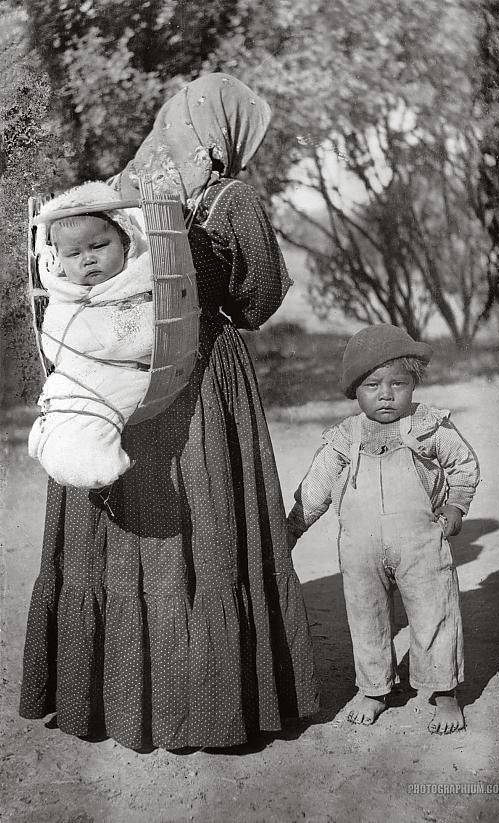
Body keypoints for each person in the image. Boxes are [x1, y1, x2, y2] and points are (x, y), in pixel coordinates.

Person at [19, 73, 319, 750]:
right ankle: (212, 702)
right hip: (200, 378)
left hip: (111, 381)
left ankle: (107, 696)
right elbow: (258, 301)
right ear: (230, 130)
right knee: (205, 519)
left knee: (131, 537)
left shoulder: (124, 191)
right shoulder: (231, 197)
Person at [287, 324, 479, 734]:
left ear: (415, 384)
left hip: (421, 545)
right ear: (354, 390)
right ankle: (374, 689)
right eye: (372, 385)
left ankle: (444, 692)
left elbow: (464, 465)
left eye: (399, 383)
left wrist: (456, 505)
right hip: (360, 550)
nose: (386, 394)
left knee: (434, 613)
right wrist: (290, 533)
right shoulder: (344, 438)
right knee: (366, 616)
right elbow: (314, 490)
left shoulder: (429, 426)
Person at [28, 181, 152, 489]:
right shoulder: (65, 293)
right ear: (58, 260)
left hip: (123, 374)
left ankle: (95, 458)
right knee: (63, 410)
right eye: (74, 253)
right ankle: (55, 438)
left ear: (125, 242)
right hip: (77, 375)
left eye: (98, 246)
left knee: (92, 427)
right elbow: (55, 336)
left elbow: (144, 334)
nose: (88, 259)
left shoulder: (136, 281)